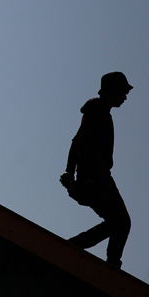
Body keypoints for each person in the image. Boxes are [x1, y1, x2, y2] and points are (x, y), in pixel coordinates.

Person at [60, 71, 134, 269]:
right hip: (95, 179)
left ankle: (76, 246)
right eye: (123, 92)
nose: (125, 97)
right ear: (113, 91)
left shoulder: (101, 112)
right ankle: (107, 261)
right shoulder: (96, 110)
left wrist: (70, 172)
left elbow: (77, 142)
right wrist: (73, 173)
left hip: (97, 177)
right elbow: (79, 143)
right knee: (121, 222)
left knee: (118, 223)